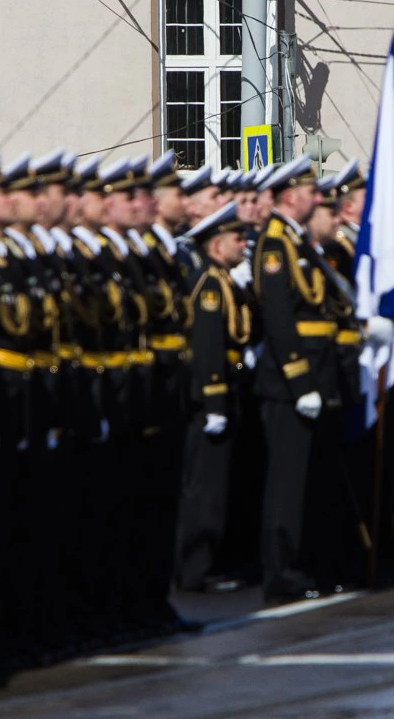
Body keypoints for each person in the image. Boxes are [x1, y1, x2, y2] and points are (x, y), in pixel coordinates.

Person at [252, 154, 338, 603]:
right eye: (310, 190)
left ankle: (299, 563)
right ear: (289, 195)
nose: (318, 197)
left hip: (314, 374)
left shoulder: (298, 241)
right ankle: (279, 571)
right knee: (285, 481)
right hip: (289, 381)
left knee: (305, 477)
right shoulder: (275, 244)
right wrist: (300, 381)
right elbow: (280, 317)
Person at [175, 201, 252, 593]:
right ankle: (194, 568)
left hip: (231, 388)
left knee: (220, 486)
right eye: (236, 238)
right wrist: (215, 403)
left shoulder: (225, 280)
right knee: (205, 488)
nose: (243, 243)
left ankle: (210, 563)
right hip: (212, 399)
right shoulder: (209, 286)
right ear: (216, 245)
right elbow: (207, 347)